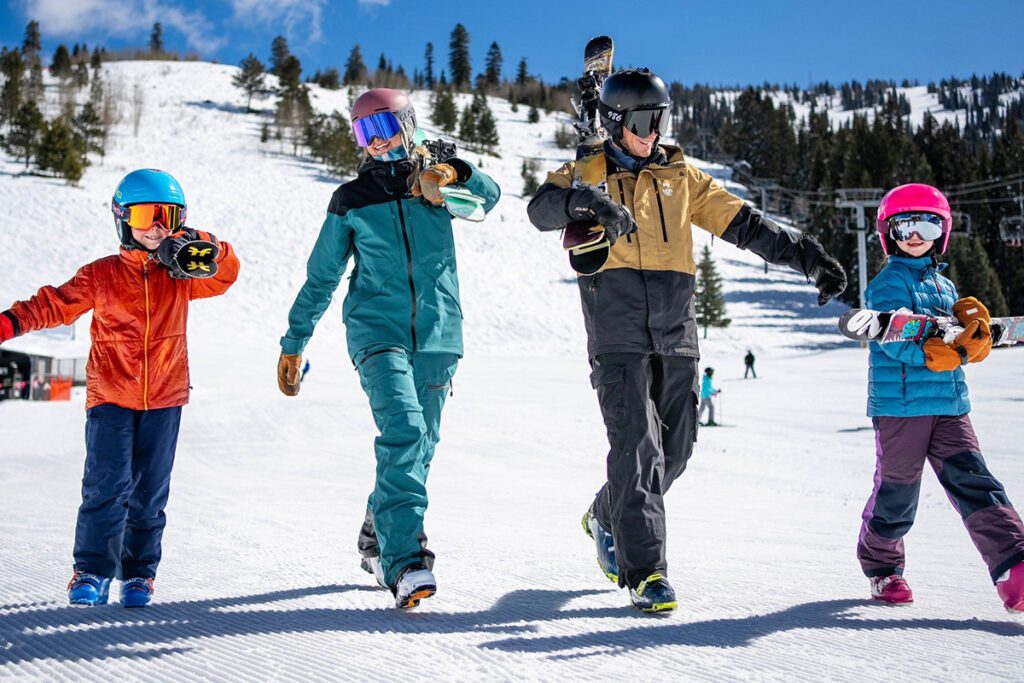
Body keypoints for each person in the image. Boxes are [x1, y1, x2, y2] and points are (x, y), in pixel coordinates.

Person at [527, 67, 847, 613]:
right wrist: (584, 203)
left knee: (676, 451)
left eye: (661, 119)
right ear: (613, 121)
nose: (653, 131)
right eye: (643, 120)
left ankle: (608, 512)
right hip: (618, 335)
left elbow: (748, 225)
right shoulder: (587, 170)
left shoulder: (682, 179)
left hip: (677, 336)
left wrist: (808, 256)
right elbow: (540, 209)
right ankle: (645, 573)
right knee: (638, 448)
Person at [277, 88, 500, 609]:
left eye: (383, 129)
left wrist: (453, 173)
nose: (375, 144)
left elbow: (489, 197)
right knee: (404, 429)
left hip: (440, 334)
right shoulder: (351, 200)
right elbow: (320, 278)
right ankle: (405, 563)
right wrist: (294, 343)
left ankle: (377, 533)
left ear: (408, 124)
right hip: (377, 332)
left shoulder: (437, 181)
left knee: (421, 445)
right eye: (363, 134)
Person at [0, 169, 240, 607]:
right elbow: (54, 304)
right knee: (106, 487)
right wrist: (10, 322)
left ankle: (138, 574)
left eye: (168, 216)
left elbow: (226, 273)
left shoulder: (183, 275)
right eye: (146, 215)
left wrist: (202, 243)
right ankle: (91, 570)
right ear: (122, 218)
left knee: (150, 494)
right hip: (110, 397)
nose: (156, 226)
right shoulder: (102, 275)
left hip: (165, 399)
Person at [857, 183, 1024, 612]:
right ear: (888, 232)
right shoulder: (886, 284)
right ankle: (883, 568)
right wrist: (935, 351)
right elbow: (895, 335)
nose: (916, 234)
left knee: (977, 483)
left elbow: (955, 346)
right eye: (905, 224)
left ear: (942, 231)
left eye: (927, 223)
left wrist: (973, 342)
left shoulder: (947, 289)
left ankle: (1015, 566)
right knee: (898, 493)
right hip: (902, 408)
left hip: (950, 407)